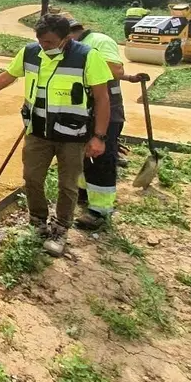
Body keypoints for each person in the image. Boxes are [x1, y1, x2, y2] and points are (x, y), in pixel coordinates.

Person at [0, 14, 112, 257]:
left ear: (66, 39)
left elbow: (102, 98)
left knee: (68, 185)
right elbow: (7, 76)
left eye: (49, 42)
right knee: (32, 178)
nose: (44, 46)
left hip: (72, 135)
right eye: (40, 40)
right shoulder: (30, 53)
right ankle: (38, 222)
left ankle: (61, 229)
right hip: (38, 132)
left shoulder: (87, 57)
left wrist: (99, 136)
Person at [68, 20, 143, 230]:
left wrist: (82, 64)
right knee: (83, 154)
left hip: (107, 110)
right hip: (84, 110)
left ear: (73, 32)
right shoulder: (72, 46)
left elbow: (116, 70)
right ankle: (84, 193)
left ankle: (100, 210)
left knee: (101, 157)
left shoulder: (99, 41)